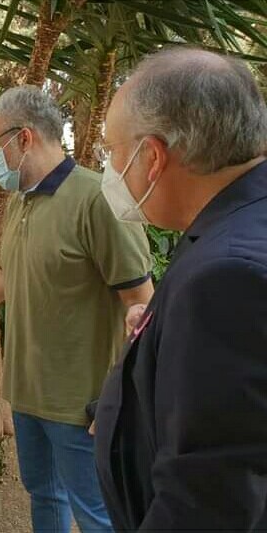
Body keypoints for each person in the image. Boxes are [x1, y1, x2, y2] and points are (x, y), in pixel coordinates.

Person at [0, 86, 154, 533]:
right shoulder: (21, 200)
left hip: (83, 406)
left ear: (24, 138)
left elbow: (142, 304)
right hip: (28, 395)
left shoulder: (98, 200)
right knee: (44, 497)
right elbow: (9, 275)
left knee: (96, 514)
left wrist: (124, 399)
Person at [94, 47, 267, 531]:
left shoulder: (227, 277)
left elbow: (208, 497)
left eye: (111, 151)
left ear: (152, 156)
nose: (110, 168)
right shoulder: (235, 223)